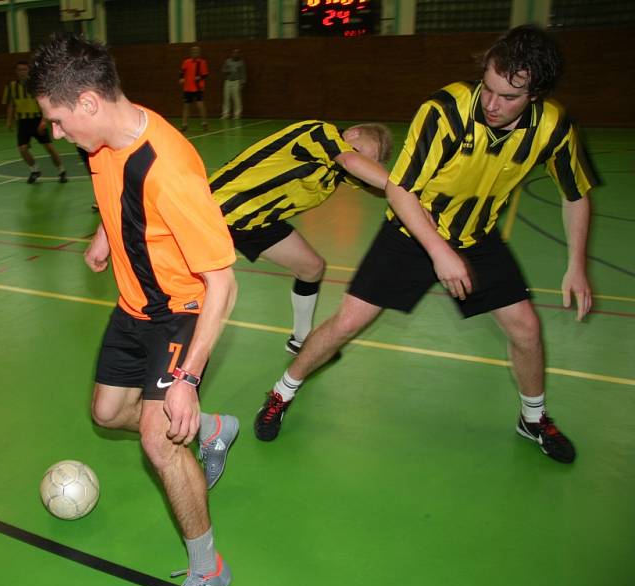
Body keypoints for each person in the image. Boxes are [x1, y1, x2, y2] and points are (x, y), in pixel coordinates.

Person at [255, 25, 597, 466]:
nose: (492, 104)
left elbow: (575, 194)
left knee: (527, 328)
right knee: (347, 322)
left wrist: (576, 265)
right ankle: (282, 393)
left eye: (508, 97)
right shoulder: (445, 110)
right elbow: (400, 190)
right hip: (411, 229)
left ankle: (533, 419)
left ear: (535, 94)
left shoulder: (553, 128)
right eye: (487, 89)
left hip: (475, 235)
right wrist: (439, 252)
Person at [29, 34, 239, 586]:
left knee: (158, 439)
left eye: (56, 119)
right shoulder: (98, 142)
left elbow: (223, 282)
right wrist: (105, 234)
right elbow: (116, 193)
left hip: (182, 310)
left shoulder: (170, 170)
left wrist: (189, 379)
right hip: (133, 305)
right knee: (105, 413)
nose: (54, 131)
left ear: (89, 103)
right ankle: (216, 431)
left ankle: (208, 567)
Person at [209, 120, 392, 355]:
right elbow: (352, 160)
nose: (362, 164)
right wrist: (408, 189)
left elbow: (376, 186)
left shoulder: (339, 170)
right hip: (217, 210)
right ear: (353, 134)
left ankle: (301, 339)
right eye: (363, 154)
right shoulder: (320, 133)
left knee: (311, 267)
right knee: (196, 292)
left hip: (255, 222)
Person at [2, 60, 67, 184]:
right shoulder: (11, 87)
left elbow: (44, 105)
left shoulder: (36, 86)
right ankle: (34, 170)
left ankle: (61, 171)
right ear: (16, 72)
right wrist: (9, 121)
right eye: (20, 70)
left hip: (37, 120)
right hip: (23, 122)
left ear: (29, 71)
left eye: (24, 69)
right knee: (23, 149)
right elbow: (11, 105)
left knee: (49, 148)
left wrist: (43, 121)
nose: (22, 72)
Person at [179, 46, 208, 132]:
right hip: (187, 88)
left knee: (200, 105)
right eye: (193, 51)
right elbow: (182, 72)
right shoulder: (186, 62)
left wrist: (200, 77)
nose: (195, 53)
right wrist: (181, 78)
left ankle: (204, 123)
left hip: (198, 87)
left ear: (199, 53)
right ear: (191, 53)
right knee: (186, 106)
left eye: (197, 51)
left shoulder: (202, 62)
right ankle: (184, 125)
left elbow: (205, 74)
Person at [220, 49, 246, 119]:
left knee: (236, 98)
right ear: (232, 54)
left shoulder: (241, 63)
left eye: (237, 53)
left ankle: (237, 114)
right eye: (234, 53)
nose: (235, 54)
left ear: (238, 54)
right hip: (228, 81)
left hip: (236, 81)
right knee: (226, 98)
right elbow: (223, 70)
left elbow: (243, 74)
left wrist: (242, 83)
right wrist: (227, 71)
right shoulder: (228, 61)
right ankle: (225, 114)